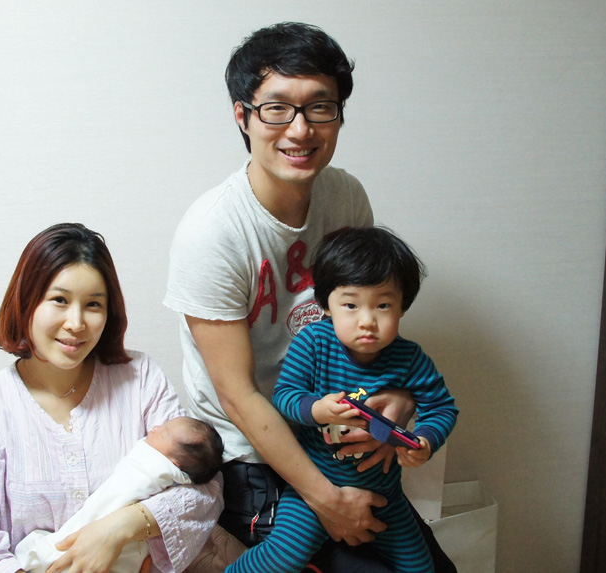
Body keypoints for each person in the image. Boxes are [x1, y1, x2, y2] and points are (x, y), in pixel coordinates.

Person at [164, 21, 455, 572]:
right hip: (252, 452)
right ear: (243, 116)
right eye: (277, 108)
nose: (300, 129)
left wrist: (397, 400)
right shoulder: (212, 233)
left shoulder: (345, 196)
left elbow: (367, 322)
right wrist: (326, 500)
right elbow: (238, 396)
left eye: (320, 107)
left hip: (338, 432)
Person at [0, 223, 223, 573]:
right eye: (59, 300)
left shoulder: (140, 379)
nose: (76, 323)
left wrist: (118, 529)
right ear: (26, 301)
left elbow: (205, 488)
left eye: (93, 304)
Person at [226, 226, 458, 573]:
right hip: (312, 492)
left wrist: (425, 440)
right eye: (351, 305)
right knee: (282, 557)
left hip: (385, 494)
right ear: (326, 305)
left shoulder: (409, 358)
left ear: (402, 307)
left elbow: (441, 407)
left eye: (383, 305)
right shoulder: (314, 342)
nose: (367, 321)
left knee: (422, 567)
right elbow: (285, 396)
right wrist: (316, 409)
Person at [16, 416, 225, 573]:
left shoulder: (152, 469)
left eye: (163, 433)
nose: (155, 428)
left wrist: (122, 526)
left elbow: (210, 491)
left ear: (175, 464)